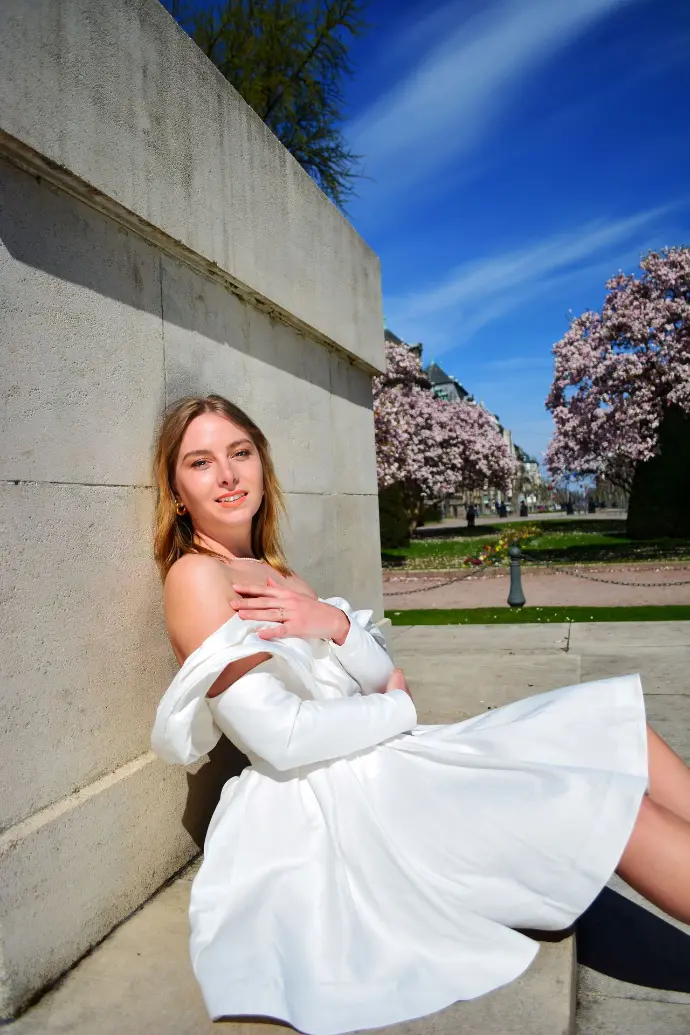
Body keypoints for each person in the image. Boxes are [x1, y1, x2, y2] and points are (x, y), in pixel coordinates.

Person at [151, 394, 690, 1035]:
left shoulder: (283, 576)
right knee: (599, 804)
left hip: (377, 754)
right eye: (201, 462)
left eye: (240, 453)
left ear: (263, 466)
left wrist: (334, 627)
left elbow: (376, 671)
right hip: (326, 795)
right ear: (178, 492)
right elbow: (282, 735)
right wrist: (398, 710)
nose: (229, 475)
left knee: (615, 725)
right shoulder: (195, 577)